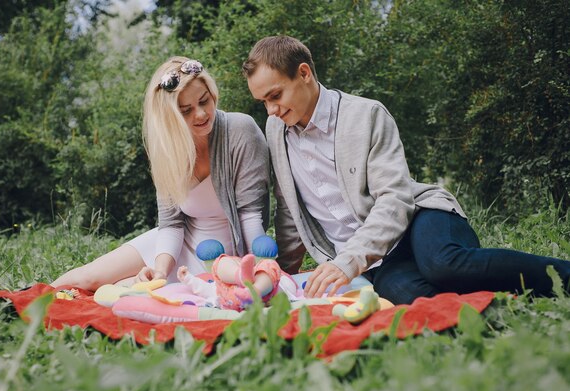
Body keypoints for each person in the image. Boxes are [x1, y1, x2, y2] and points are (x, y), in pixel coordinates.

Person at [242, 35, 570, 305]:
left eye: (275, 96)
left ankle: (563, 277)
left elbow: (395, 201)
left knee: (443, 264)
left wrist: (348, 262)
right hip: (377, 261)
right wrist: (280, 276)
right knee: (410, 296)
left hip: (418, 218)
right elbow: (290, 211)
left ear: (303, 73)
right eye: (263, 103)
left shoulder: (366, 115)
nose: (271, 110)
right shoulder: (276, 129)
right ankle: (504, 300)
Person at [52, 56, 270, 290]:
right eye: (186, 111)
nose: (201, 114)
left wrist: (259, 265)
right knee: (89, 278)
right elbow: (172, 224)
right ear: (170, 118)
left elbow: (250, 214)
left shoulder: (240, 131)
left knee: (123, 289)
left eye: (204, 101)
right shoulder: (169, 150)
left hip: (220, 258)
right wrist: (161, 271)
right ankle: (22, 299)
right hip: (175, 245)